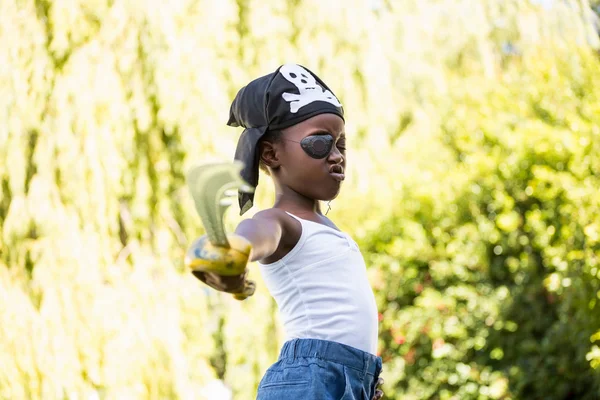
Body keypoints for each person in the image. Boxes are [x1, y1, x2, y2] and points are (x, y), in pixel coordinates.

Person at [186, 63, 384, 399]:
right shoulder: (280, 222)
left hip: (349, 378)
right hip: (311, 377)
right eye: (320, 143)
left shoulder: (327, 230)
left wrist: (363, 377)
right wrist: (228, 254)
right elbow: (250, 236)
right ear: (271, 153)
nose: (336, 156)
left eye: (341, 145)